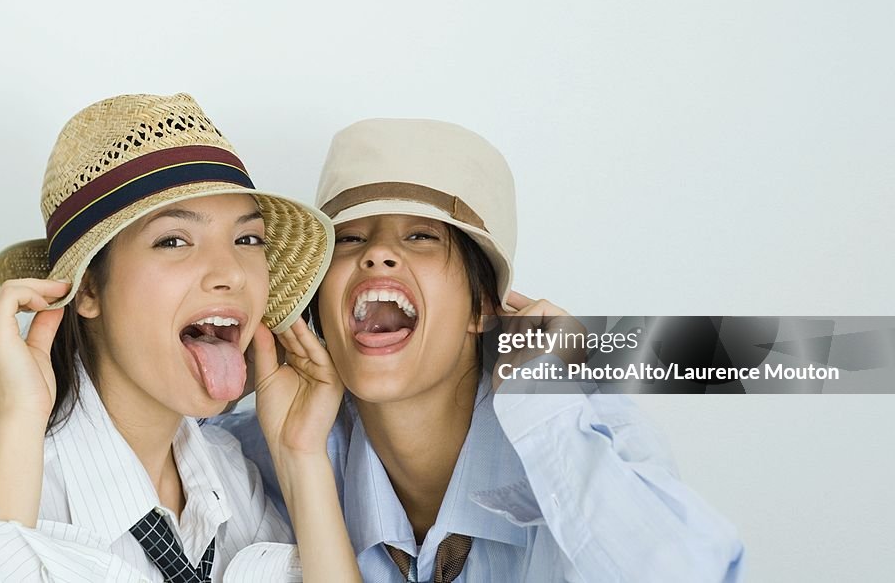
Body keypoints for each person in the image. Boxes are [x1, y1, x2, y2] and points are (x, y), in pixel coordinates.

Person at [214, 118, 746, 582]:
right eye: (350, 240)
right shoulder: (261, 452)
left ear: (481, 307)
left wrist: (538, 392)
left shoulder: (584, 440)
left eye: (422, 237)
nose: (378, 255)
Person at [0, 93, 360, 582]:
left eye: (247, 239)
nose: (231, 272)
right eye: (174, 240)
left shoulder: (231, 480)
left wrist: (302, 457)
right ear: (87, 288)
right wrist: (19, 423)